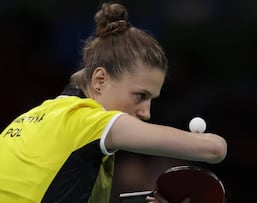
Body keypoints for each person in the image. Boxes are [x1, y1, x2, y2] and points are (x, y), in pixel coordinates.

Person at [0, 2, 227, 203]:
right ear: (100, 80)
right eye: (140, 95)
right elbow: (215, 150)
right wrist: (208, 141)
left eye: (151, 99)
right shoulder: (88, 120)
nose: (146, 112)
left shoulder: (28, 120)